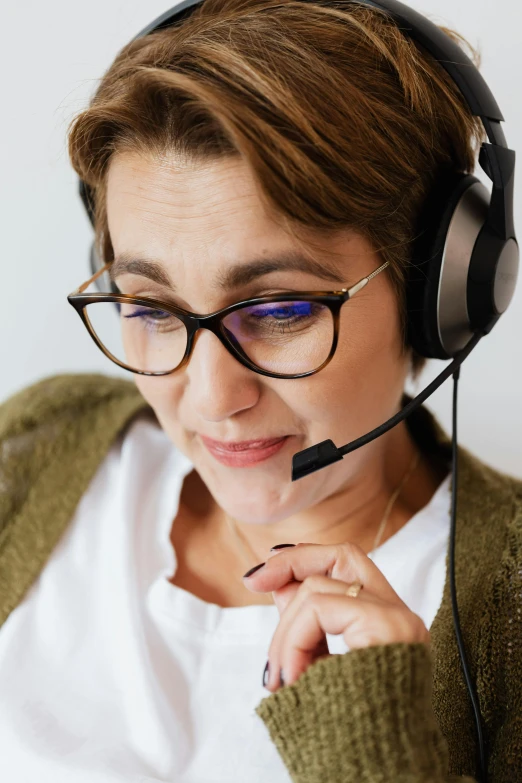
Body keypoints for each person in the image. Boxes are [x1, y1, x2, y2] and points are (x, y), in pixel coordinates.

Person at [0, 1, 520, 781]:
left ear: (439, 292)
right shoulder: (42, 441)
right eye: (149, 308)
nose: (211, 396)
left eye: (279, 310)